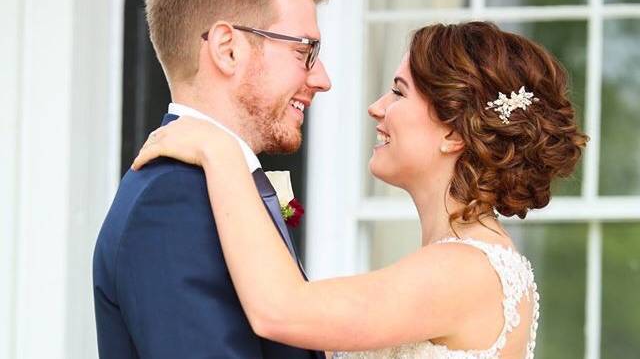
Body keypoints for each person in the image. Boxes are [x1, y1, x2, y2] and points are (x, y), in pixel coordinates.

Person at [132, 21, 589, 358]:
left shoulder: (467, 271)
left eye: (398, 92)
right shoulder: (461, 263)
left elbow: (280, 310)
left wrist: (221, 152)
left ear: (454, 132)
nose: (376, 108)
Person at [92, 0, 333, 358]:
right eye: (304, 51)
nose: (321, 78)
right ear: (227, 49)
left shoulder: (208, 186)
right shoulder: (171, 203)